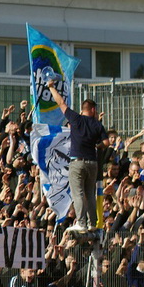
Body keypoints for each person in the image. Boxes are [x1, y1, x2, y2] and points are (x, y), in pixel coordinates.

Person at [47, 81, 107, 233]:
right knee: (90, 193)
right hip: (92, 163)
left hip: (77, 162)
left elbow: (61, 102)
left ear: (83, 109)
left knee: (78, 193)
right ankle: (92, 223)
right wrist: (98, 145)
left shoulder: (76, 119)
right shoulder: (97, 125)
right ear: (93, 110)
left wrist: (51, 87)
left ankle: (81, 223)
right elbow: (106, 142)